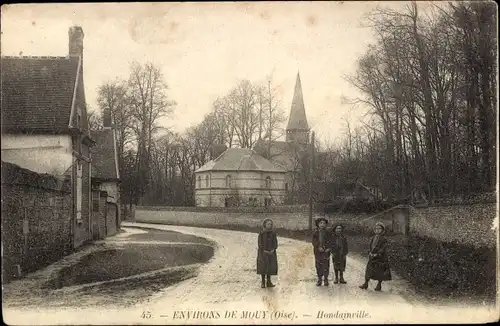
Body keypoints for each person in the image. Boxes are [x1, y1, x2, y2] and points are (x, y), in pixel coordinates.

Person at [359, 221, 392, 291]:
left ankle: (379, 285)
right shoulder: (373, 238)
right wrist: (369, 252)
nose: (377, 230)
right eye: (376, 229)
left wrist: (377, 254)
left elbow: (383, 248)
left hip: (380, 258)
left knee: (380, 271)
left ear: (382, 230)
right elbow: (370, 246)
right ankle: (366, 283)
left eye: (379, 229)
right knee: (368, 270)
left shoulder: (384, 239)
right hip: (372, 256)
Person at [257, 218, 278, 288]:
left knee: (270, 267)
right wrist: (263, 250)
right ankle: (263, 282)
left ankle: (269, 282)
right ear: (265, 225)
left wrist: (273, 249)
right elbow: (260, 243)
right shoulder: (262, 233)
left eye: (271, 224)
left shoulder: (273, 233)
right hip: (263, 253)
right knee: (263, 267)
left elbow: (275, 242)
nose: (269, 225)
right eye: (268, 224)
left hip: (271, 253)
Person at [312, 217, 332, 286]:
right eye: (321, 223)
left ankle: (326, 279)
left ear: (326, 225)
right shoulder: (315, 233)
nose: (322, 224)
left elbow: (331, 241)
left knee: (326, 265)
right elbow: (314, 242)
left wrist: (329, 248)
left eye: (324, 223)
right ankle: (319, 279)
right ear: (318, 224)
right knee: (318, 265)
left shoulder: (328, 233)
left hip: (326, 251)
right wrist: (318, 247)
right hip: (318, 252)